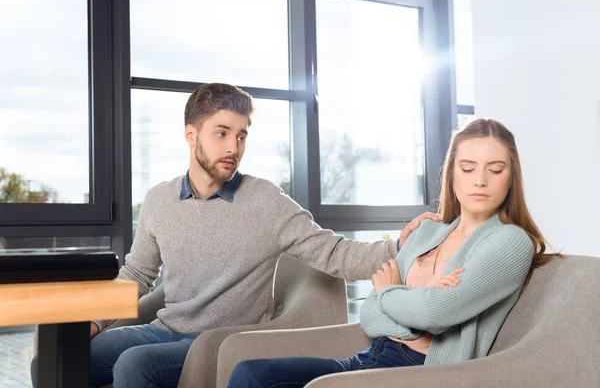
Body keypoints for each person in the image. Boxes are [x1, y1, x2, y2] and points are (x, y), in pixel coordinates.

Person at [30, 83, 438, 388]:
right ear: (191, 135)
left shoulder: (265, 201)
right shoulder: (158, 200)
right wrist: (92, 322)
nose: (234, 147)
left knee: (134, 366)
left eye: (241, 135)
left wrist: (403, 245)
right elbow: (136, 274)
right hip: (165, 329)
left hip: (225, 338)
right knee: (53, 358)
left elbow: (336, 254)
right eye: (221, 133)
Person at [227, 118, 561, 388]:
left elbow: (436, 314)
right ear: (452, 175)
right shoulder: (428, 231)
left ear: (510, 178)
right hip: (371, 357)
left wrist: (391, 290)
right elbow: (371, 315)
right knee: (251, 374)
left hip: (419, 373)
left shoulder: (510, 242)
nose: (481, 181)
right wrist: (414, 317)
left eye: (496, 169)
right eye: (469, 167)